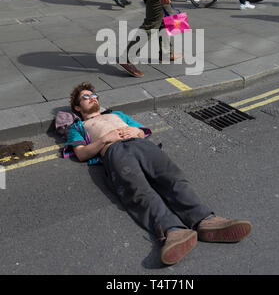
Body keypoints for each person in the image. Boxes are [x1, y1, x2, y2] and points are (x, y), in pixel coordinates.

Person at [62, 82, 252, 266]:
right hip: (114, 151)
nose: (92, 98)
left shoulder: (117, 114)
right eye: (85, 97)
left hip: (141, 144)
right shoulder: (78, 127)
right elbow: (81, 153)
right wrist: (105, 139)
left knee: (172, 177)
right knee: (138, 190)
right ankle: (173, 230)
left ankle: (205, 220)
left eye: (94, 95)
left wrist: (135, 131)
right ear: (77, 107)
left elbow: (143, 131)